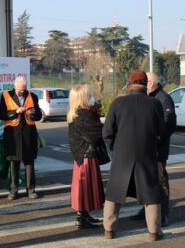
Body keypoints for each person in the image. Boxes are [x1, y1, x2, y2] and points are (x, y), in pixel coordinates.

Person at [102, 70, 164, 241]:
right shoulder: (155, 104)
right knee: (151, 192)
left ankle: (109, 229)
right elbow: (161, 131)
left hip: (122, 155)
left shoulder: (117, 103)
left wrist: (114, 151)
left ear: (129, 84)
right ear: (145, 85)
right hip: (146, 154)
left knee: (114, 192)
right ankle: (154, 231)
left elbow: (107, 132)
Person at [130, 72, 176, 227]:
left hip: (158, 150)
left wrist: (156, 138)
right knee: (145, 182)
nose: (145, 85)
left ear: (151, 83)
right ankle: (146, 211)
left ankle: (163, 215)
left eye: (146, 82)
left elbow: (169, 124)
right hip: (145, 149)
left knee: (161, 182)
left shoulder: (163, 98)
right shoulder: (148, 97)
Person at [0, 76, 42, 200]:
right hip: (12, 135)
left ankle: (31, 189)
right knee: (14, 164)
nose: (22, 91)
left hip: (29, 134)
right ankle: (13, 190)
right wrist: (15, 111)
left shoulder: (33, 96)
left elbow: (39, 115)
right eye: (20, 89)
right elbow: (0, 114)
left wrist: (32, 113)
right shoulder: (6, 96)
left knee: (29, 163)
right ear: (15, 85)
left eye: (24, 89)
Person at [67, 85, 105, 229]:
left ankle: (84, 215)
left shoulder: (75, 113)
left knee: (83, 187)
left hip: (81, 155)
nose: (92, 97)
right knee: (85, 187)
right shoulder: (84, 114)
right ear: (83, 98)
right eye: (89, 95)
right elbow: (96, 134)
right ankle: (81, 218)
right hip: (87, 155)